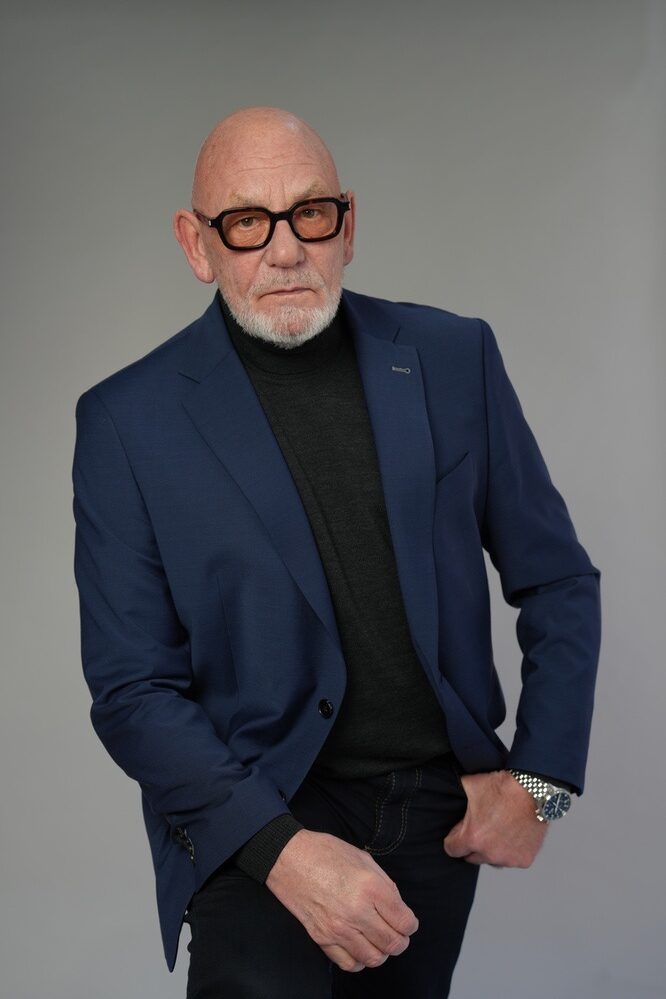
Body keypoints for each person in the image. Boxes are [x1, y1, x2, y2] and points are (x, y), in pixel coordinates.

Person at [72, 106, 601, 998]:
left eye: (310, 213)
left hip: (435, 816)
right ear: (198, 244)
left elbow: (558, 580)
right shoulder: (128, 422)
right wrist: (280, 850)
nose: (285, 251)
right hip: (255, 816)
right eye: (248, 222)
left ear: (347, 227)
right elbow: (132, 690)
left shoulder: (453, 357)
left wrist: (541, 783)